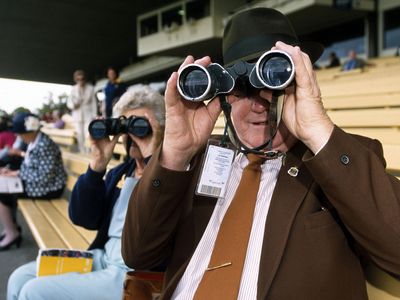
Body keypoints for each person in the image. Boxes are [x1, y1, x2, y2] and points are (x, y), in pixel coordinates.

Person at [121, 8, 400, 300]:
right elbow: (138, 253)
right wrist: (174, 155)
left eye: (272, 81)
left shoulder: (337, 158)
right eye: (241, 88)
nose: (258, 104)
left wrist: (317, 131)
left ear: (297, 82)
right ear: (224, 95)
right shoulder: (199, 158)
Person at [7, 86, 165, 300]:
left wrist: (151, 159)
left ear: (161, 129)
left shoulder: (171, 176)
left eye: (139, 126)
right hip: (103, 258)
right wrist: (96, 167)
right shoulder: (122, 172)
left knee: (33, 292)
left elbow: (163, 211)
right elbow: (83, 218)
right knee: (19, 278)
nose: (131, 134)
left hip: (133, 273)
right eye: (124, 126)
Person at [0, 112, 66, 251]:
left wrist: (17, 175)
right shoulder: (35, 141)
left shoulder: (44, 145)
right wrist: (14, 173)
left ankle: (12, 232)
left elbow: (43, 176)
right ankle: (11, 227)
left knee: (4, 193)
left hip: (50, 188)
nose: (20, 137)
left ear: (31, 131)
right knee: (5, 186)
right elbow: (32, 167)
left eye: (21, 134)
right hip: (42, 183)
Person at [68, 69, 98, 153]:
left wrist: (94, 116)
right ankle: (82, 151)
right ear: (75, 79)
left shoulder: (91, 88)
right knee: (80, 135)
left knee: (88, 134)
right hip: (77, 116)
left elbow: (94, 103)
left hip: (88, 115)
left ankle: (88, 152)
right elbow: (69, 103)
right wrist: (74, 105)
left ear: (85, 79)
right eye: (78, 79)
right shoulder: (73, 89)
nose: (80, 81)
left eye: (82, 79)